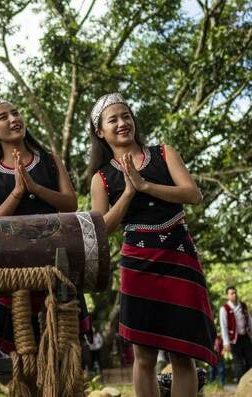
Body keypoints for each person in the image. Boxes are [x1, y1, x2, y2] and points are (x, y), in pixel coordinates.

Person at [88, 92, 216, 397]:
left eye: (126, 116)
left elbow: (193, 194)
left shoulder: (164, 153)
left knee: (181, 352)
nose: (122, 123)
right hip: (137, 262)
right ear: (100, 132)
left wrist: (145, 185)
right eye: (113, 120)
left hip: (177, 253)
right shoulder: (101, 178)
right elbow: (102, 227)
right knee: (143, 354)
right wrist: (130, 193)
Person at [0, 97, 90, 365]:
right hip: (14, 276)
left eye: (15, 113)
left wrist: (36, 189)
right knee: (23, 363)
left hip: (57, 268)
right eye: (3, 117)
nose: (14, 119)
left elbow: (71, 204)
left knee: (64, 360)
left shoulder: (50, 161)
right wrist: (17, 192)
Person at [219, 286, 252, 383]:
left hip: (245, 337)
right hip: (234, 340)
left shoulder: (243, 306)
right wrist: (226, 343)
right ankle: (240, 385)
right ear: (227, 296)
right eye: (232, 293)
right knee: (239, 364)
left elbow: (249, 320)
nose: (234, 295)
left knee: (250, 360)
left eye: (235, 293)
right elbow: (223, 326)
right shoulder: (224, 309)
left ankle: (249, 386)